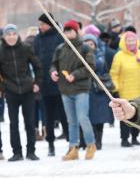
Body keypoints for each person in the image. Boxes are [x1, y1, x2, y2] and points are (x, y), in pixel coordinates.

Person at [50, 20, 96, 161]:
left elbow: (90, 67)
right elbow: (53, 64)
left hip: (81, 88)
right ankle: (73, 148)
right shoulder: (59, 49)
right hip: (65, 89)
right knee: (72, 121)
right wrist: (53, 72)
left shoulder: (84, 48)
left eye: (71, 31)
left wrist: (74, 75)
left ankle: (90, 144)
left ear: (76, 32)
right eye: (66, 31)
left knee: (82, 117)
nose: (69, 34)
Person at [0, 24, 42, 161]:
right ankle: (17, 152)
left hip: (27, 90)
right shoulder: (0, 50)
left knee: (29, 122)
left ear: (17, 35)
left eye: (13, 34)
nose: (11, 37)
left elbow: (38, 66)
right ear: (4, 37)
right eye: (8, 34)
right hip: (11, 91)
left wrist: (37, 83)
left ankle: (31, 151)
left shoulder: (25, 48)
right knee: (13, 123)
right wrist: (3, 87)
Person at [34, 13, 69, 156]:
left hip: (60, 83)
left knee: (64, 115)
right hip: (44, 84)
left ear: (49, 24)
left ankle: (71, 142)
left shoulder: (59, 36)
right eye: (40, 24)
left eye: (43, 24)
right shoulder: (37, 39)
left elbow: (65, 58)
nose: (40, 27)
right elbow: (35, 59)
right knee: (47, 116)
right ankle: (50, 144)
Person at [109, 31, 140, 147]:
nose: (131, 43)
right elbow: (114, 73)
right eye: (128, 41)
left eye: (133, 40)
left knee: (137, 115)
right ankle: (124, 139)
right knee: (124, 116)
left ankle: (135, 137)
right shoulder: (119, 56)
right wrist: (115, 87)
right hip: (125, 91)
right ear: (123, 43)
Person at [83, 34, 114, 150]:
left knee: (99, 119)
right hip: (87, 89)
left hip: (98, 90)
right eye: (87, 43)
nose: (89, 46)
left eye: (91, 44)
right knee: (88, 117)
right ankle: (88, 141)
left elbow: (99, 67)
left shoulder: (100, 56)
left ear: (95, 45)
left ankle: (98, 141)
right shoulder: (80, 55)